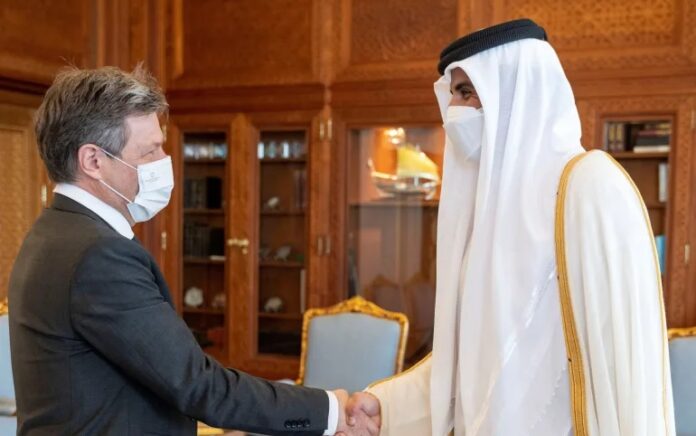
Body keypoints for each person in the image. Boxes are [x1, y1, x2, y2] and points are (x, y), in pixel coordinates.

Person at [8, 65, 379, 436]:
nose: (163, 162)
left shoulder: (51, 233)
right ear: (93, 161)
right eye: (149, 152)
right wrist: (330, 411)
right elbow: (196, 384)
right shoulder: (98, 255)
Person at [348, 18, 676, 436]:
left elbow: (629, 367)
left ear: (516, 93)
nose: (455, 111)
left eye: (467, 92)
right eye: (452, 94)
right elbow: (471, 365)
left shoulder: (588, 186)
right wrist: (386, 407)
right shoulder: (484, 215)